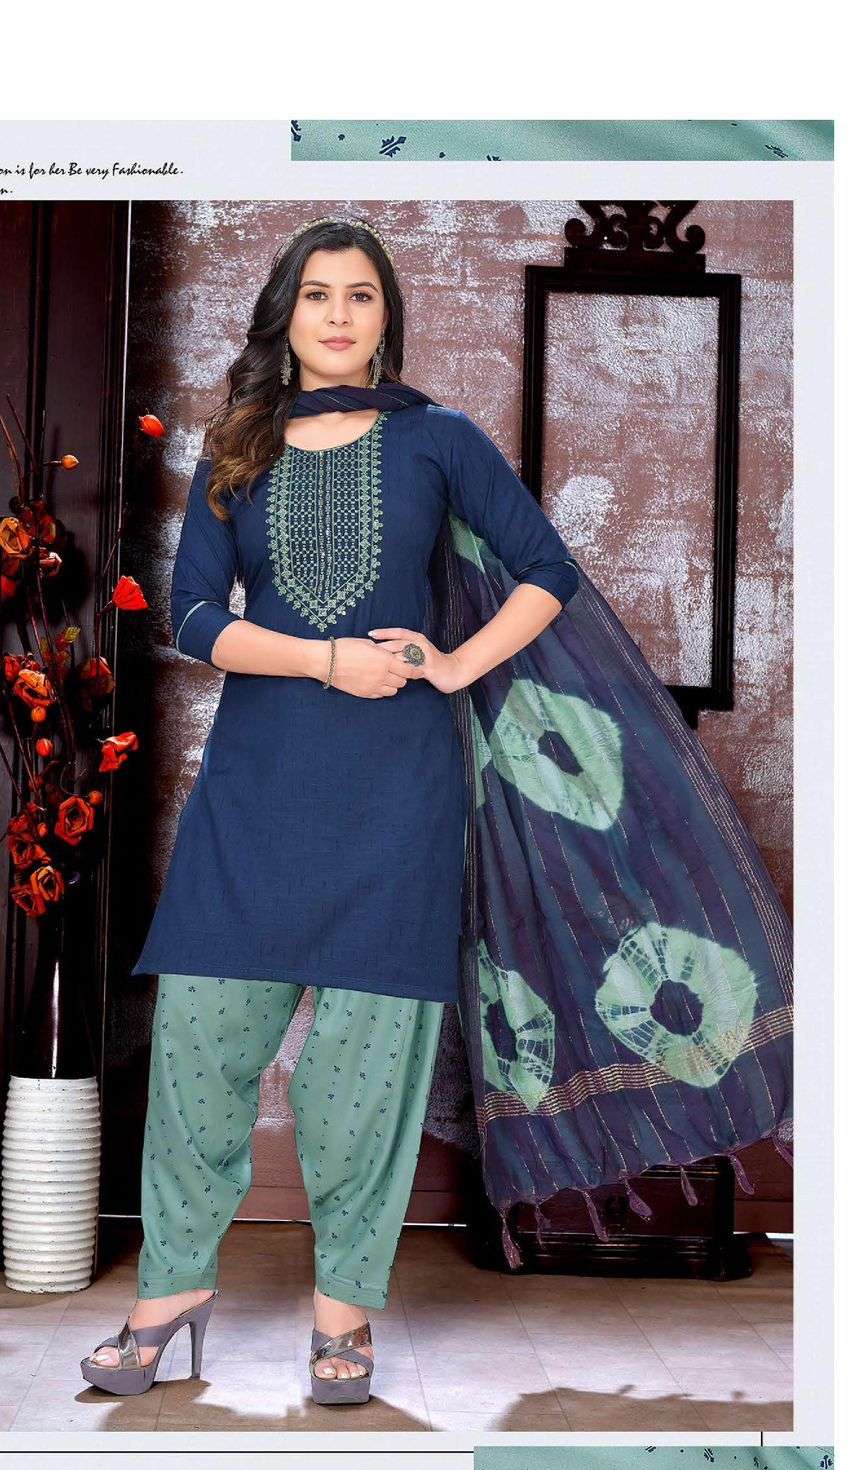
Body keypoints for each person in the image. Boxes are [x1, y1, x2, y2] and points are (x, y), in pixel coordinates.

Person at [81, 216, 579, 1405]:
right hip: (255, 794)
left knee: (361, 1070)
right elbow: (190, 616)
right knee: (199, 1045)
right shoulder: (238, 445)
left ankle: (343, 1312)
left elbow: (547, 570)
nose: (339, 315)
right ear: (286, 315)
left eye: (360, 294)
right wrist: (322, 660)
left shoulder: (436, 440)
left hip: (395, 800)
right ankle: (170, 1289)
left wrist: (452, 667)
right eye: (317, 295)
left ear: (384, 315)